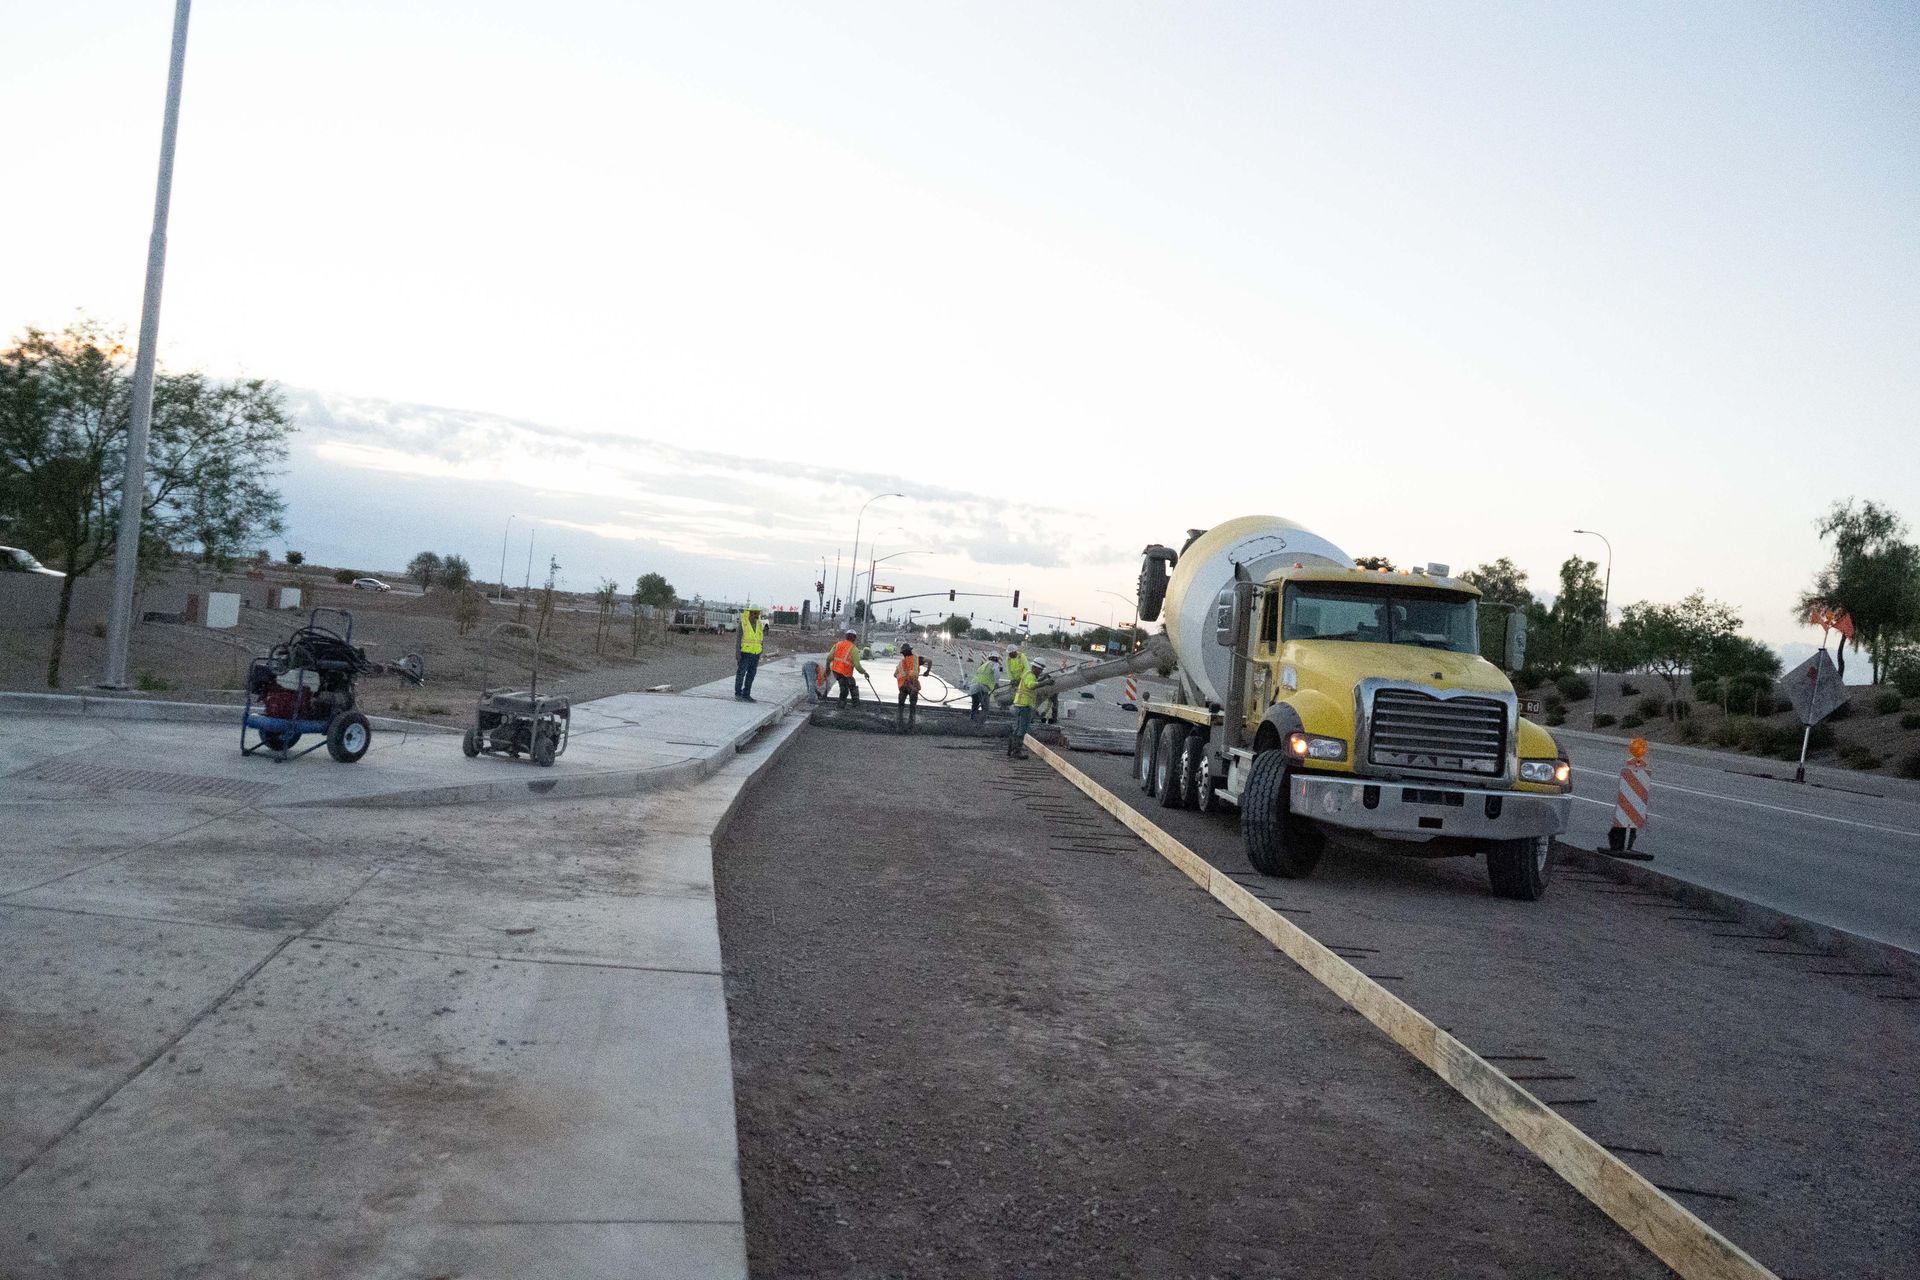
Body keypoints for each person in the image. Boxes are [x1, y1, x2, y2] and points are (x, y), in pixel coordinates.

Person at [1008, 659, 1043, 759]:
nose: (1040, 672)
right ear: (1034, 667)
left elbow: (1032, 683)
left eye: (1041, 670)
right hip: (1024, 706)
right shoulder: (1030, 676)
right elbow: (1031, 685)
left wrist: (1041, 680)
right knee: (1021, 730)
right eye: (1039, 669)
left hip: (1021, 706)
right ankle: (1016, 751)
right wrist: (1045, 683)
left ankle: (1011, 749)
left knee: (1018, 728)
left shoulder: (1029, 675)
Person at [734, 607, 767, 702]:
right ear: (749, 613)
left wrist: (761, 650)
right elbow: (738, 640)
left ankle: (746, 694)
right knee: (741, 674)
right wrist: (738, 654)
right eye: (753, 613)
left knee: (751, 675)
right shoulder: (743, 624)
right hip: (745, 654)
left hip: (755, 654)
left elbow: (761, 638)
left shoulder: (759, 624)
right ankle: (738, 694)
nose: (755, 616)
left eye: (757, 614)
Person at [827, 629, 865, 703]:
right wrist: (864, 672)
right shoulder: (854, 649)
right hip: (845, 673)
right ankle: (846, 704)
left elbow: (829, 657)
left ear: (846, 636)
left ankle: (852, 702)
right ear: (854, 638)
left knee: (848, 685)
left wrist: (828, 667)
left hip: (836, 671)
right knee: (846, 688)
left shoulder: (837, 644)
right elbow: (857, 665)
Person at [893, 643, 924, 731]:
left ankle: (899, 725)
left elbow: (895, 675)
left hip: (904, 686)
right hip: (913, 685)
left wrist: (903, 675)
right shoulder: (917, 659)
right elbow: (929, 661)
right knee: (912, 706)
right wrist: (927, 671)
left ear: (904, 652)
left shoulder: (901, 663)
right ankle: (911, 725)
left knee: (901, 706)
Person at [969, 653, 1000, 721]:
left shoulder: (983, 665)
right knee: (985, 707)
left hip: (973, 687)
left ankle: (972, 721)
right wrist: (997, 683)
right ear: (997, 659)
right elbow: (997, 673)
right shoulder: (994, 664)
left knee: (975, 705)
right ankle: (982, 723)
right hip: (982, 688)